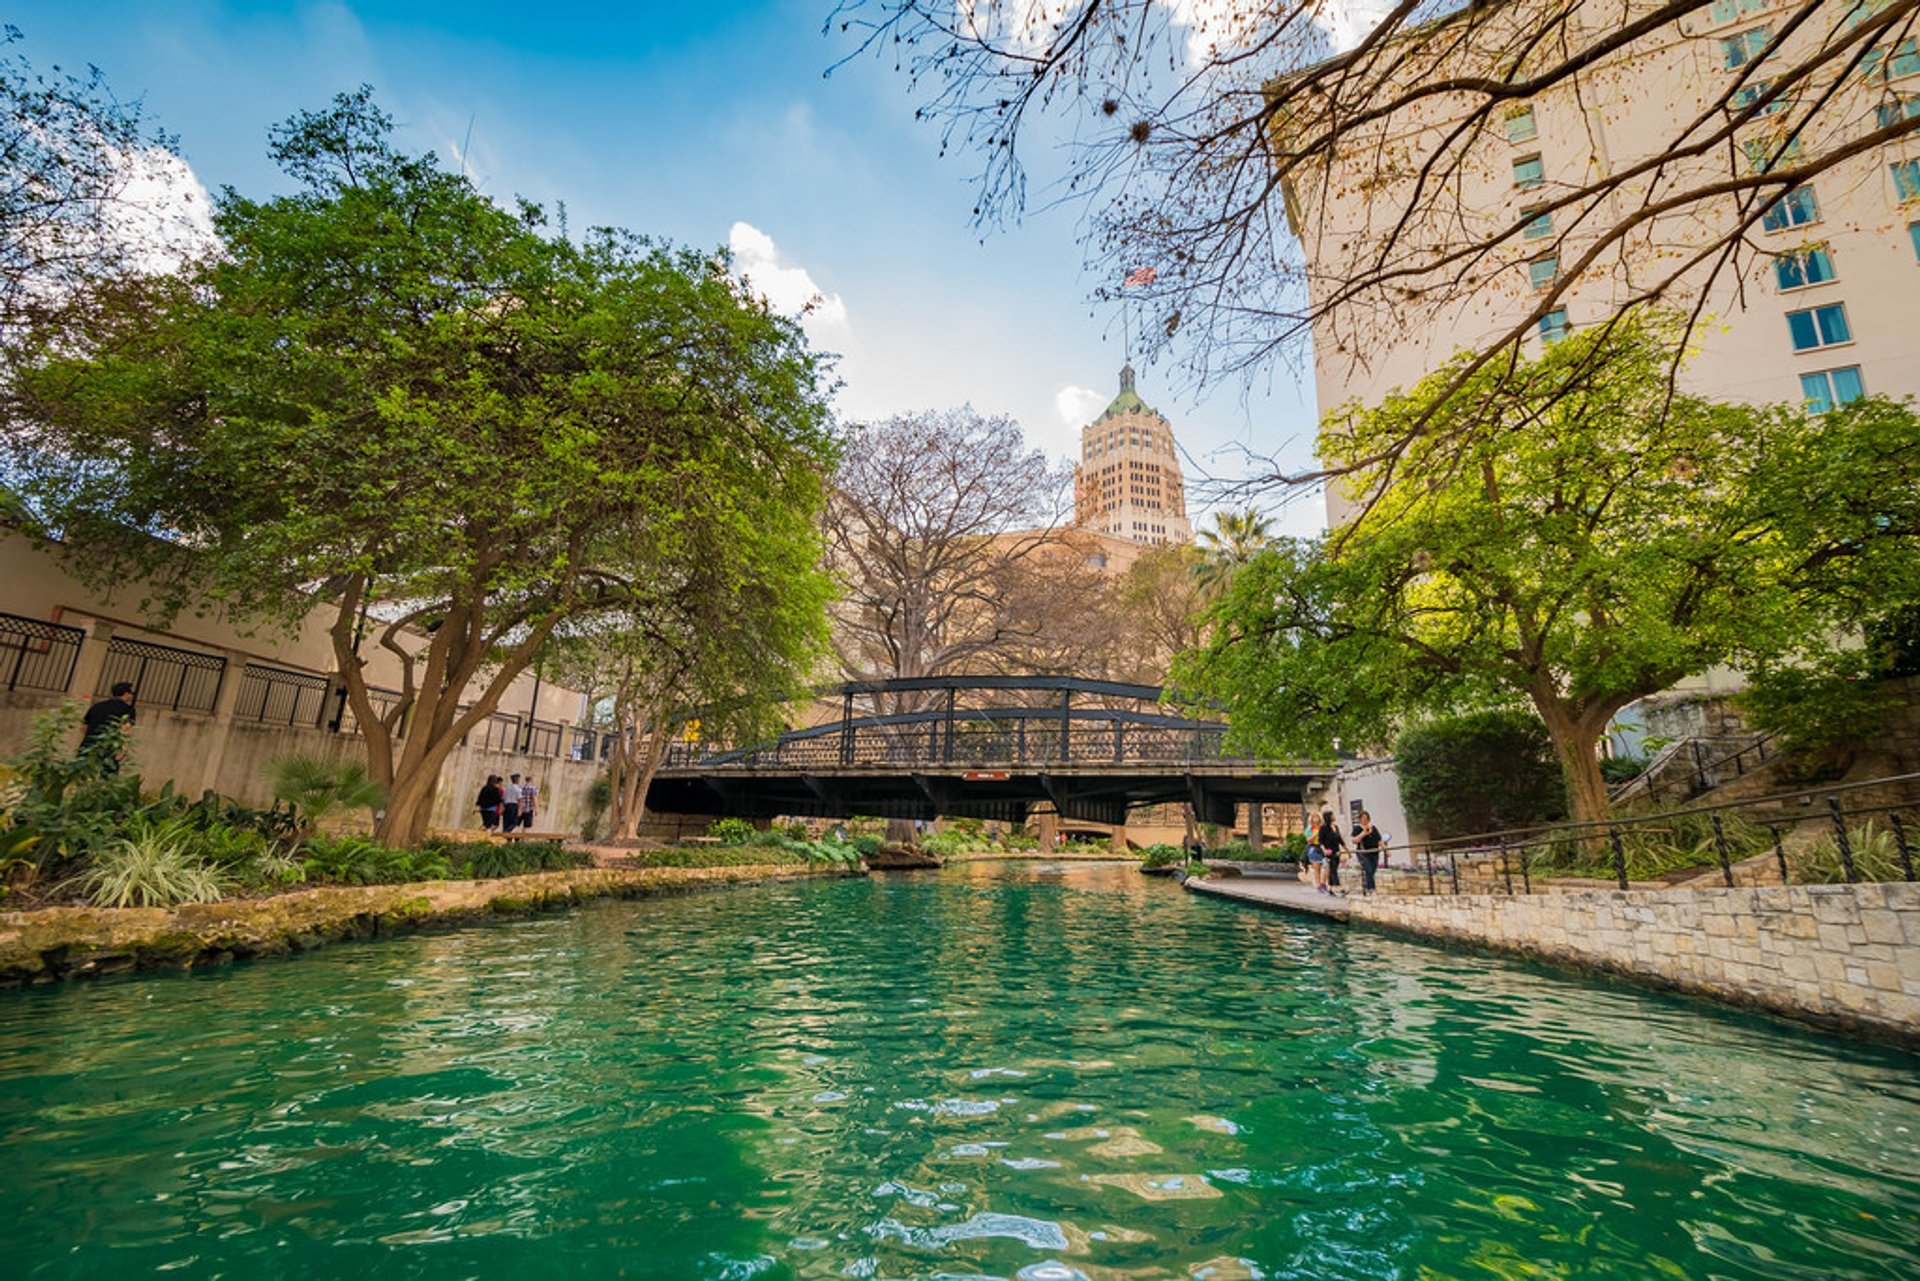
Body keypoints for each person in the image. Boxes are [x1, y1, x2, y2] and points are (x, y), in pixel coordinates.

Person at [79, 682, 137, 771]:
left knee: (82, 774)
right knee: (107, 778)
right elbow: (125, 731)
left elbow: (83, 728)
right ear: (126, 694)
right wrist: (122, 751)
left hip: (88, 746)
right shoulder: (128, 710)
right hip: (110, 749)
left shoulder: (97, 706)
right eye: (131, 693)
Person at [1352, 811, 1388, 896]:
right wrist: (1364, 833)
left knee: (1372, 871)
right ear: (1360, 819)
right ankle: (1371, 889)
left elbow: (1379, 840)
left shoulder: (1373, 828)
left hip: (1374, 852)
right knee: (1368, 870)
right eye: (1363, 818)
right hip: (1363, 852)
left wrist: (1386, 850)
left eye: (1366, 818)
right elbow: (1354, 840)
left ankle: (1368, 886)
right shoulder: (1357, 829)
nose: (1365, 820)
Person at [1317, 809, 1348, 897]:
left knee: (1333, 869)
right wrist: (1324, 851)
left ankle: (1330, 888)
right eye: (1332, 815)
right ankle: (1339, 887)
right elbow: (1321, 841)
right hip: (1329, 852)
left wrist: (1347, 851)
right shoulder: (1323, 828)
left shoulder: (1335, 827)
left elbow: (1340, 840)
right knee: (1333, 869)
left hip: (1336, 851)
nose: (1334, 817)